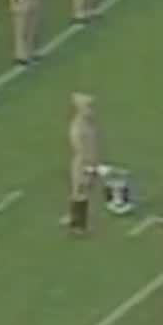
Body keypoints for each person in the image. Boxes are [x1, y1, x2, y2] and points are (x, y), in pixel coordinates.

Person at [66, 92, 100, 236]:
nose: (90, 110)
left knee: (83, 191)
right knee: (81, 191)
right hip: (83, 162)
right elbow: (81, 148)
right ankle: (78, 225)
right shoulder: (78, 127)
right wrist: (88, 165)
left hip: (87, 160)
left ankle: (76, 221)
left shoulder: (86, 124)